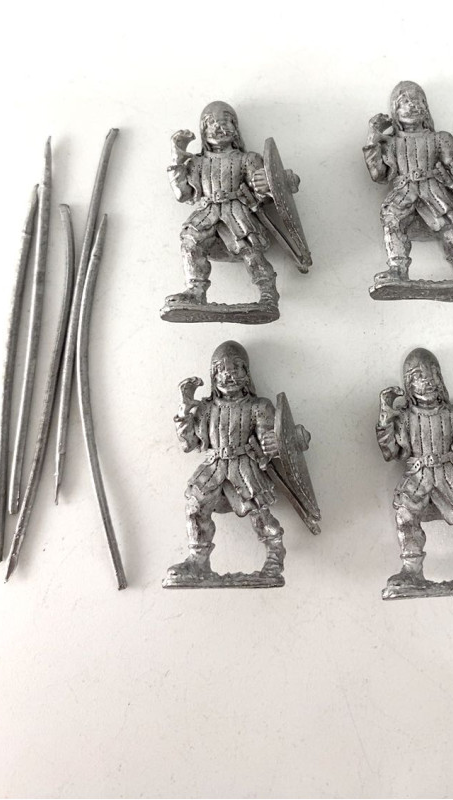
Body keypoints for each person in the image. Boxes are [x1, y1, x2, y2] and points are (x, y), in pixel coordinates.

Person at [376, 348, 453, 591]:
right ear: (409, 383)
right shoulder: (404, 418)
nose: (427, 381)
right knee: (405, 517)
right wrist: (386, 414)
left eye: (432, 374)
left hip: (448, 476)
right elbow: (391, 452)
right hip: (417, 478)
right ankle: (411, 569)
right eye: (418, 376)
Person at [167, 341, 286, 584]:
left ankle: (275, 555)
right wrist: (185, 408)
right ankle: (198, 561)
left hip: (245, 468)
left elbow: (269, 439)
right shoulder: (205, 409)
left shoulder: (259, 407)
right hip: (213, 469)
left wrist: (274, 442)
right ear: (213, 375)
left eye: (235, 368)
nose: (228, 375)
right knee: (195, 506)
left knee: (260, 514)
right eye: (221, 369)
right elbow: (189, 444)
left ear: (246, 373)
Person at [167, 101, 300, 310]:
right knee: (190, 241)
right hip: (207, 214)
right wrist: (177, 159)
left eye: (226, 121)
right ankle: (195, 291)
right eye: (211, 123)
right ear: (203, 130)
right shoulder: (197, 163)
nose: (219, 127)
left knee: (249, 250)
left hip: (238, 213)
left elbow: (264, 192)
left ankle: (267, 293)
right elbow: (183, 194)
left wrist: (272, 183)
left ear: (235, 128)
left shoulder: (248, 159)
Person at [363, 81, 453, 286]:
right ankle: (397, 268)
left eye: (418, 101)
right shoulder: (390, 143)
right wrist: (373, 138)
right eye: (404, 102)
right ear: (395, 111)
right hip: (403, 192)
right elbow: (379, 175)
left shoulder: (440, 139)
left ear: (426, 108)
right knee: (391, 219)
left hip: (433, 190)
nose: (412, 105)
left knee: (448, 227)